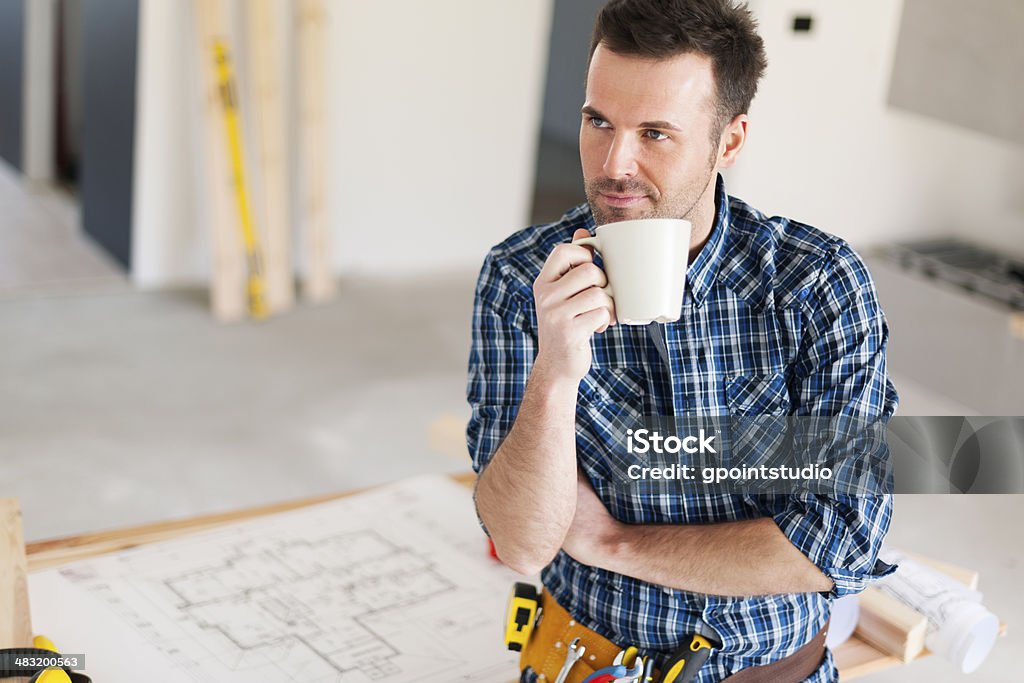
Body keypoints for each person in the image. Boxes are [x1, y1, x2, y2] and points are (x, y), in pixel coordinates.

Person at [466, 0, 898, 680]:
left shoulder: (816, 283)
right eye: (598, 121)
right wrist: (554, 373)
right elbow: (521, 543)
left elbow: (838, 542)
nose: (615, 163)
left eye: (656, 133)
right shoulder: (521, 277)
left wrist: (610, 541)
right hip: (585, 664)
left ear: (729, 141)